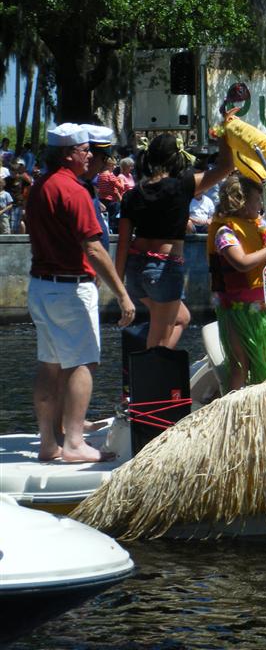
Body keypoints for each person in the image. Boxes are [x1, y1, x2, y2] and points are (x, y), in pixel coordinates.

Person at [26, 123, 135, 462]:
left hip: (41, 286)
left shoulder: (41, 185)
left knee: (50, 363)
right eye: (85, 150)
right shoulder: (72, 190)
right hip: (70, 289)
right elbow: (94, 248)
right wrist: (122, 294)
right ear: (69, 153)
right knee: (82, 363)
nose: (91, 155)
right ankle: (74, 442)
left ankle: (49, 442)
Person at [117, 131, 233, 349]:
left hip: (135, 270)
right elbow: (226, 167)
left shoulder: (131, 195)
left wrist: (120, 290)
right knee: (159, 340)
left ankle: (150, 367)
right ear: (177, 157)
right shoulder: (183, 185)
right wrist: (225, 133)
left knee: (182, 318)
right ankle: (151, 377)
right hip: (164, 268)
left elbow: (122, 244)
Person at [206, 173, 266, 391]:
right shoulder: (225, 232)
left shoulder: (259, 226)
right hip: (236, 311)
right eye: (257, 200)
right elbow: (241, 263)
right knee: (240, 364)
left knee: (265, 362)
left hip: (260, 309)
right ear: (241, 202)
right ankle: (231, 410)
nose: (261, 205)